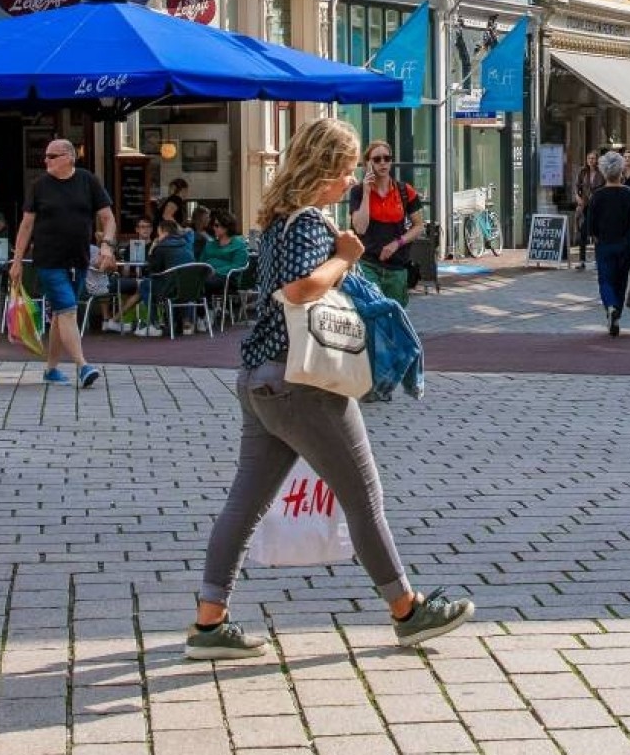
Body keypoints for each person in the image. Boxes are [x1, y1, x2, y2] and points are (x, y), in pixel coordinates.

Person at [188, 116, 473, 662]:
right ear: (325, 170)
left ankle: (209, 621)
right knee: (364, 497)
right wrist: (345, 256)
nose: (353, 180)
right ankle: (408, 611)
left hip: (259, 379)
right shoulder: (311, 226)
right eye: (347, 170)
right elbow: (298, 291)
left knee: (244, 504)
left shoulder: (275, 220)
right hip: (304, 382)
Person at [10, 140, 117, 390]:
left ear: (69, 157)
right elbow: (26, 226)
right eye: (45, 156)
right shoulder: (39, 186)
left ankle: (51, 369)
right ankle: (83, 366)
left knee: (61, 312)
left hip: (78, 258)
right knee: (68, 309)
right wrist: (17, 261)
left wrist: (107, 246)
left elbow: (108, 218)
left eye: (51, 156)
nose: (45, 160)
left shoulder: (87, 181)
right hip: (49, 260)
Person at [348, 140, 426, 305]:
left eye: (387, 158)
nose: (383, 163)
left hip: (396, 266)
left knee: (394, 319)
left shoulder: (405, 191)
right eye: (376, 159)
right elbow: (360, 228)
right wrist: (367, 193)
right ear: (368, 164)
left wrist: (398, 243)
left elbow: (419, 226)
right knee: (372, 313)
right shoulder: (358, 192)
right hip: (367, 263)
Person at [583, 152, 630, 336]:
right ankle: (616, 313)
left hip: (605, 244)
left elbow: (590, 225)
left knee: (605, 279)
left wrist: (593, 239)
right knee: (621, 280)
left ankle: (610, 306)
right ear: (621, 170)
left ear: (603, 170)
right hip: (625, 244)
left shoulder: (597, 195)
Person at [572, 151, 603, 272]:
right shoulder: (583, 172)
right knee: (583, 233)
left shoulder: (601, 173)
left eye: (593, 158)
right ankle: (582, 260)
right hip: (584, 205)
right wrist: (577, 197)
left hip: (597, 206)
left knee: (596, 233)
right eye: (589, 158)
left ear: (597, 160)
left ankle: (597, 260)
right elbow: (577, 187)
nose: (591, 160)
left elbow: (604, 187)